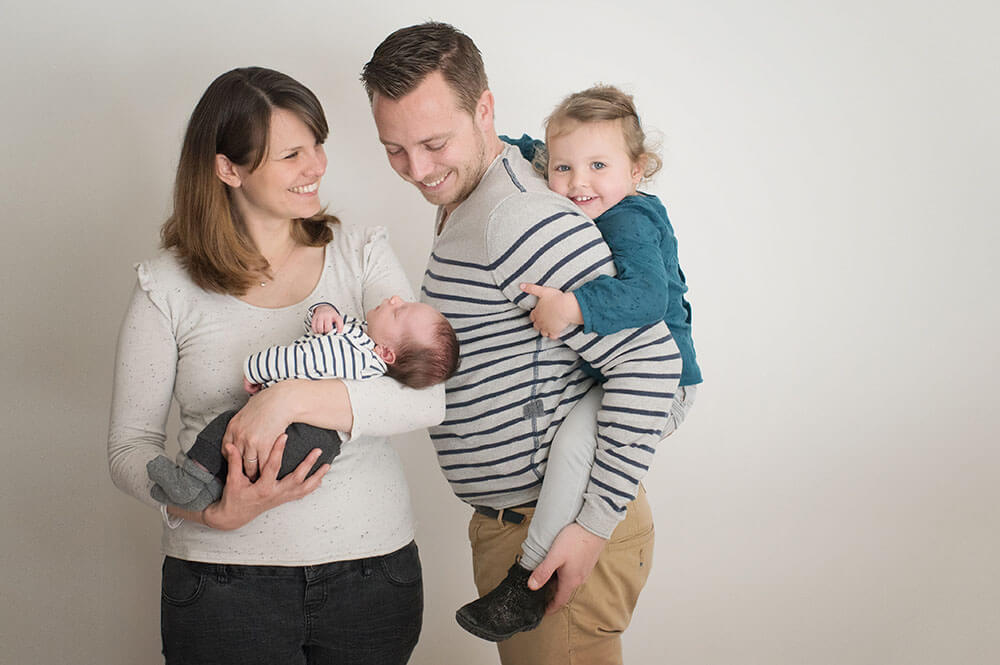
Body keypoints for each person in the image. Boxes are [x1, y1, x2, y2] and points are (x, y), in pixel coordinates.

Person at [362, 22, 682, 665]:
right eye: (395, 149)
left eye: (432, 143)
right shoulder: (474, 193)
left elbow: (653, 362)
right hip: (522, 524)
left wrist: (589, 530)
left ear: (484, 108)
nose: (417, 171)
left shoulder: (516, 218)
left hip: (554, 532)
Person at [107, 66, 444, 665]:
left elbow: (425, 397)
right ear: (228, 169)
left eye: (317, 144)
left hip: (372, 575)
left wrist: (285, 399)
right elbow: (129, 446)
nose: (316, 165)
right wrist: (207, 510)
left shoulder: (360, 254)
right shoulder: (165, 286)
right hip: (222, 586)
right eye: (291, 153)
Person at [454, 84, 703, 640]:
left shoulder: (630, 219)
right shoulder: (579, 197)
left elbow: (648, 299)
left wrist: (573, 305)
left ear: (637, 171)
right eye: (563, 167)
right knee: (573, 442)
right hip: (612, 387)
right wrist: (496, 147)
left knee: (572, 443)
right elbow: (525, 150)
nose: (577, 182)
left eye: (598, 165)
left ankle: (528, 580)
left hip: (667, 385)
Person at [147, 299, 459, 512]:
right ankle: (204, 494)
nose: (393, 299)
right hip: (316, 441)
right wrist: (324, 310)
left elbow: (302, 359)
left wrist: (256, 368)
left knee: (227, 429)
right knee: (239, 455)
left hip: (306, 435)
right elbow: (323, 332)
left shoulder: (352, 354)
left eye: (398, 311)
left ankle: (189, 480)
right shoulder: (361, 342)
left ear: (387, 354)